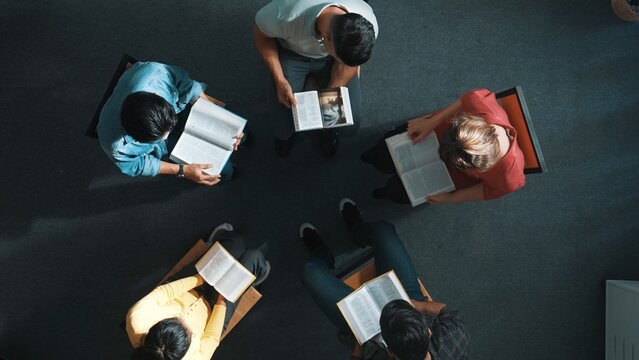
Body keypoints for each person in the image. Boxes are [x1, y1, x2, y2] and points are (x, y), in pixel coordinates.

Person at [301, 199, 470, 360]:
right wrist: (420, 305)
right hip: (411, 303)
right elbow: (450, 312)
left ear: (390, 352)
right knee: (384, 231)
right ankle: (357, 232)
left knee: (311, 273)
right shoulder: (454, 339)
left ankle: (321, 254)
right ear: (428, 332)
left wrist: (359, 339)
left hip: (366, 335)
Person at [253, 0, 378, 158]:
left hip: (333, 59)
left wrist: (329, 96)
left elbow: (349, 63)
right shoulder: (285, 15)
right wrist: (279, 80)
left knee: (347, 127)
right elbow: (261, 35)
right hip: (292, 53)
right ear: (325, 37)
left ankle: (328, 132)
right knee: (282, 129)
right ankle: (287, 138)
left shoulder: (367, 22)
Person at [126, 224, 270, 360]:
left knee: (235, 242)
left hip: (186, 287)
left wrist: (202, 277)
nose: (183, 319)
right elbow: (211, 338)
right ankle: (252, 272)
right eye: (189, 332)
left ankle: (217, 245)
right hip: (213, 311)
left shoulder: (136, 318)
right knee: (253, 258)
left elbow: (166, 292)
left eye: (175, 319)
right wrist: (222, 301)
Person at [361, 88, 526, 204]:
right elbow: (465, 100)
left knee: (398, 193)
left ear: (480, 169)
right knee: (384, 152)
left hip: (452, 175)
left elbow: (486, 191)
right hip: (436, 133)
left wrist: (451, 199)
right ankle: (373, 156)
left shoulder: (510, 177)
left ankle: (388, 193)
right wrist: (431, 122)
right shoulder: (481, 105)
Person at [97, 61, 244, 186]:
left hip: (178, 106)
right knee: (221, 171)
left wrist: (222, 118)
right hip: (162, 133)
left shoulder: (158, 74)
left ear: (156, 96)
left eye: (167, 132)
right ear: (132, 137)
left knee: (235, 127)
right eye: (160, 137)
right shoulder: (115, 146)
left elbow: (189, 88)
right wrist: (182, 171)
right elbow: (138, 164)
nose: (167, 137)